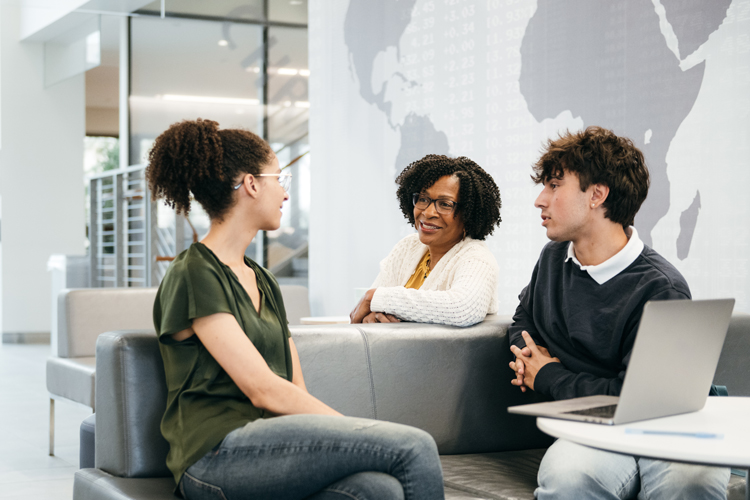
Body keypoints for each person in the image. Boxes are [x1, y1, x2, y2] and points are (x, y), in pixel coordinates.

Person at [147, 119, 445, 500]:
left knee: (377, 491)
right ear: (252, 184)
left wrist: (347, 438)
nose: (285, 195)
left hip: (273, 446)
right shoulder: (194, 272)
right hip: (214, 455)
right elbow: (262, 388)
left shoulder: (264, 280)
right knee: (414, 446)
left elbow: (293, 386)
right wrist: (355, 433)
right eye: (279, 180)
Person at [508, 126, 730, 499]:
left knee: (690, 482)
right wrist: (526, 355)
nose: (540, 200)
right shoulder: (553, 259)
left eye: (554, 185)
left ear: (597, 195)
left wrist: (547, 375)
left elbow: (640, 400)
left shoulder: (662, 288)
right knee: (568, 478)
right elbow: (524, 318)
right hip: (595, 427)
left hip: (667, 424)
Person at [350, 154, 502, 327]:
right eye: (423, 199)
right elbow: (366, 309)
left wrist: (378, 298)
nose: (428, 212)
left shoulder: (477, 257)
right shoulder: (408, 247)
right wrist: (372, 315)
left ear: (469, 214)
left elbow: (462, 308)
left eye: (445, 204)